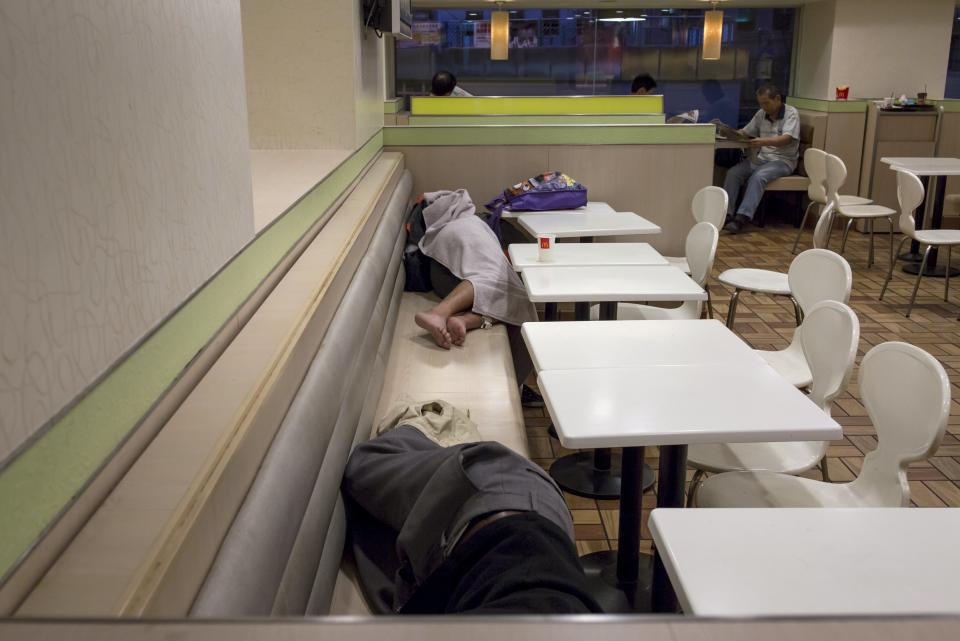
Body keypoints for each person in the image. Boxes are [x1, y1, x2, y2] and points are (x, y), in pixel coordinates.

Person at [342, 418, 602, 614]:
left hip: (524, 529)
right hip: (501, 493)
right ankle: (419, 428)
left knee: (368, 534)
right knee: (362, 469)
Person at [721, 83, 801, 234]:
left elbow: (787, 138)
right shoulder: (761, 114)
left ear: (777, 99)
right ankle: (727, 214)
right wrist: (730, 134)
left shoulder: (791, 113)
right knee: (733, 173)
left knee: (758, 176)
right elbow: (746, 132)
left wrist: (763, 141)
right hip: (761, 158)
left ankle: (742, 217)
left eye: (766, 103)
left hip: (783, 161)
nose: (764, 107)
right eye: (761, 103)